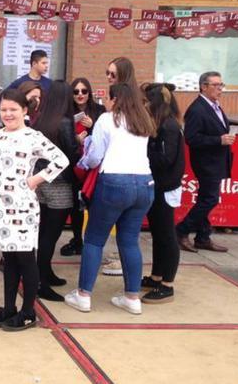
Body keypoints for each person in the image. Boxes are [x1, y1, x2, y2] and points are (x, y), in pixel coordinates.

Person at [0, 89, 69, 331]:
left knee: (26, 258)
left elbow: (61, 160)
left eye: (13, 110)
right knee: (8, 259)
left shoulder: (32, 136)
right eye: (4, 110)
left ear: (24, 111)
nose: (8, 114)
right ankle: (9, 307)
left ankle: (28, 311)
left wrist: (35, 180)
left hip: (23, 208)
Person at [65, 83, 155, 315]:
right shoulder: (143, 119)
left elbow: (95, 157)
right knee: (129, 240)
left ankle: (84, 295)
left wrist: (82, 163)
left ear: (115, 99)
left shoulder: (107, 119)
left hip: (114, 181)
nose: (105, 101)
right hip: (145, 183)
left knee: (94, 240)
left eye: (107, 97)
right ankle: (132, 297)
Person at [175, 71, 233, 254]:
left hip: (217, 160)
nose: (219, 89)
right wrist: (218, 140)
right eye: (215, 85)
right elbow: (191, 139)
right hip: (206, 162)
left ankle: (203, 236)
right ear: (204, 87)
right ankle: (182, 229)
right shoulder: (197, 109)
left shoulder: (214, 106)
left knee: (205, 199)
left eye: (221, 85)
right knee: (210, 199)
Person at [32, 81, 79, 302]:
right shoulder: (65, 121)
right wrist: (80, 142)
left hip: (41, 180)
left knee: (43, 232)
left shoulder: (40, 119)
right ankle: (41, 280)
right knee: (52, 232)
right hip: (59, 183)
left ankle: (44, 272)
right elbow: (70, 153)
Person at [141, 82, 185, 304]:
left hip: (166, 187)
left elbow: (166, 159)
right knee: (157, 234)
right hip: (158, 186)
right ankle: (156, 276)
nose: (145, 105)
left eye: (148, 101)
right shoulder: (161, 125)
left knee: (167, 235)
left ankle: (167, 283)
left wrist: (144, 153)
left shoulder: (168, 126)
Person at [101, 56, 139, 276]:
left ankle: (118, 261)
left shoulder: (131, 107)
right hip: (138, 178)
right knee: (125, 233)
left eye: (112, 74)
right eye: (107, 73)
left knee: (104, 233)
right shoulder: (123, 107)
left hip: (120, 173)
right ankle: (130, 290)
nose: (108, 78)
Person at [60, 77, 106, 257]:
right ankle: (77, 239)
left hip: (93, 166)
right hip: (73, 163)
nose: (80, 95)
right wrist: (75, 139)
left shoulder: (99, 111)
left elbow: (106, 137)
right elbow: (61, 137)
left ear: (89, 93)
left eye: (84, 91)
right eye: (76, 91)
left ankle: (92, 242)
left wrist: (93, 127)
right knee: (75, 206)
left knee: (93, 204)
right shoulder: (66, 112)